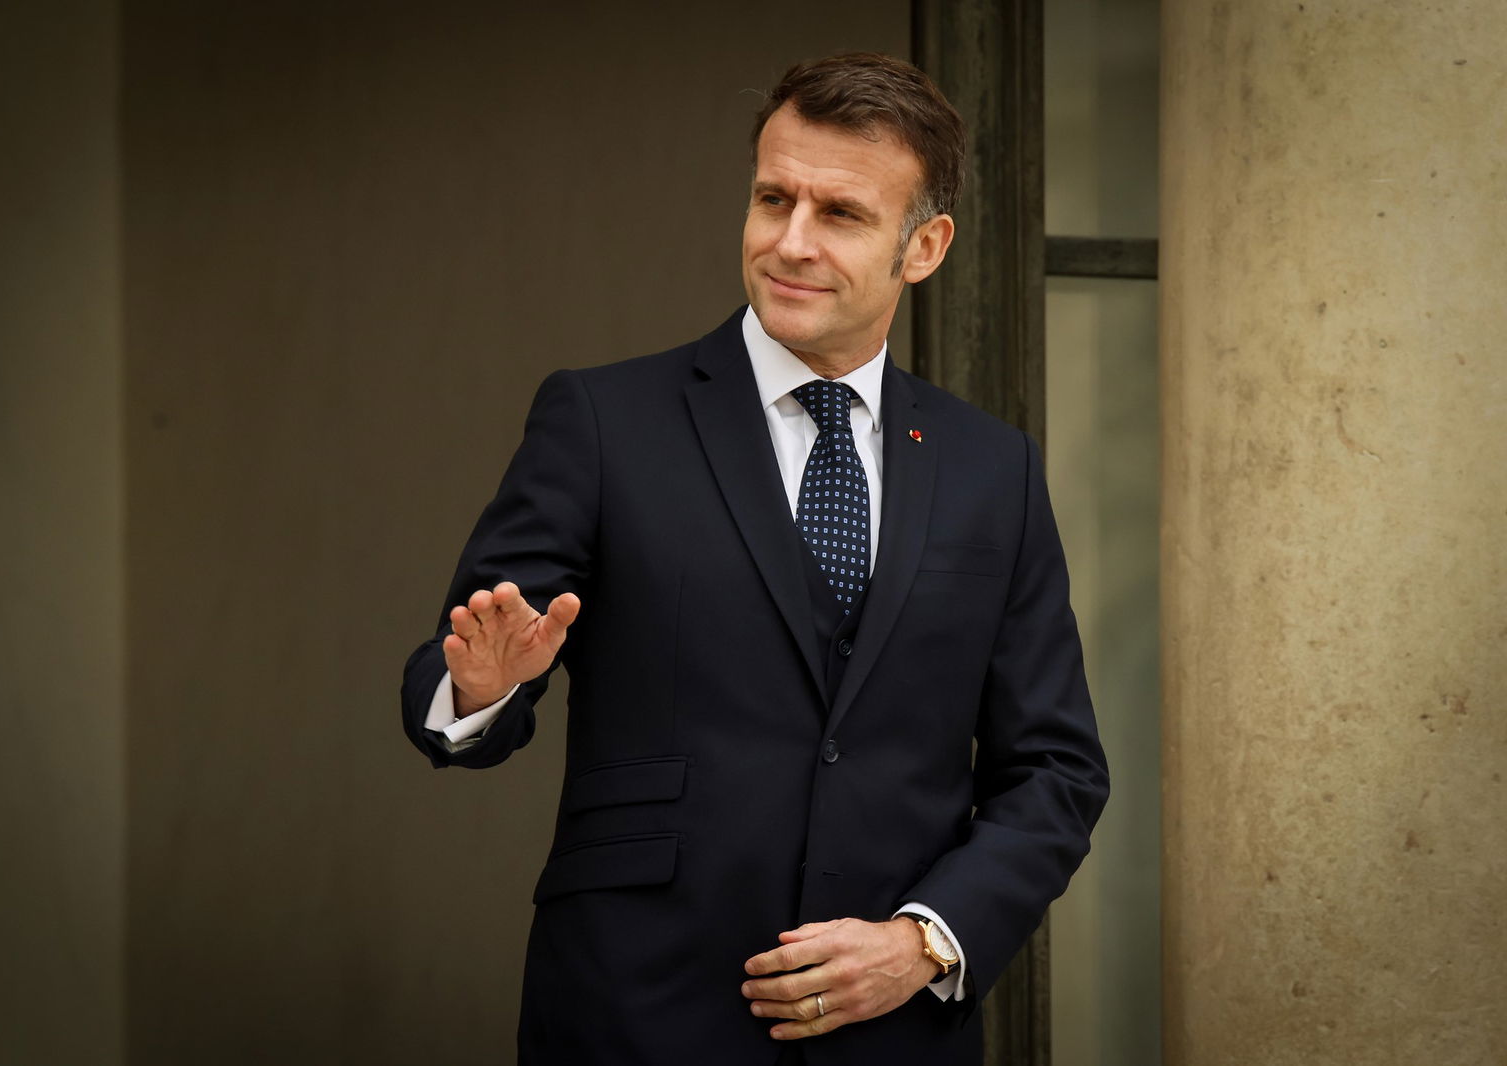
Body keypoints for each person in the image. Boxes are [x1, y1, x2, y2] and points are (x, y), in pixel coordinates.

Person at [401, 52, 1108, 1064]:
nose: (790, 241)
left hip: (893, 1033)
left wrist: (923, 943)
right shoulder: (602, 421)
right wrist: (479, 687)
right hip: (636, 1013)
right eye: (774, 198)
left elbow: (1055, 767)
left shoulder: (995, 469)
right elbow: (457, 669)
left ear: (924, 247)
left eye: (841, 214)